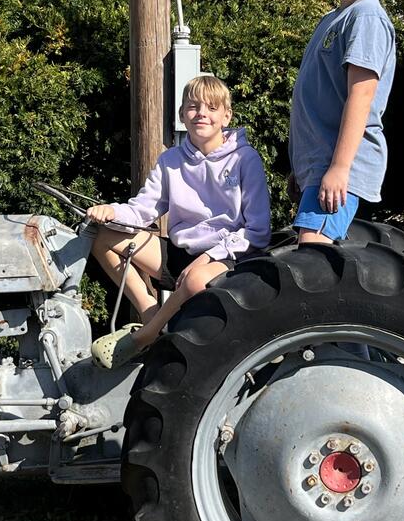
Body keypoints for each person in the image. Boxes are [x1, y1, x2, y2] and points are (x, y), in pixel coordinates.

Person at [89, 74, 270, 369]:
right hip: (181, 253)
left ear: (227, 116)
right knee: (103, 237)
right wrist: (111, 211)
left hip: (229, 257)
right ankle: (151, 314)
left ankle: (145, 336)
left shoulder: (245, 159)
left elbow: (258, 232)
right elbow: (142, 210)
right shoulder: (170, 160)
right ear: (182, 114)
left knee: (196, 279)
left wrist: (208, 257)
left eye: (212, 108)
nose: (201, 114)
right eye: (193, 107)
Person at [288, 0, 397, 243]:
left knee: (311, 256)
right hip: (318, 166)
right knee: (311, 258)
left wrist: (339, 168)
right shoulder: (334, 18)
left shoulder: (367, 18)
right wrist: (302, 167)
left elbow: (361, 97)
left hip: (339, 167)